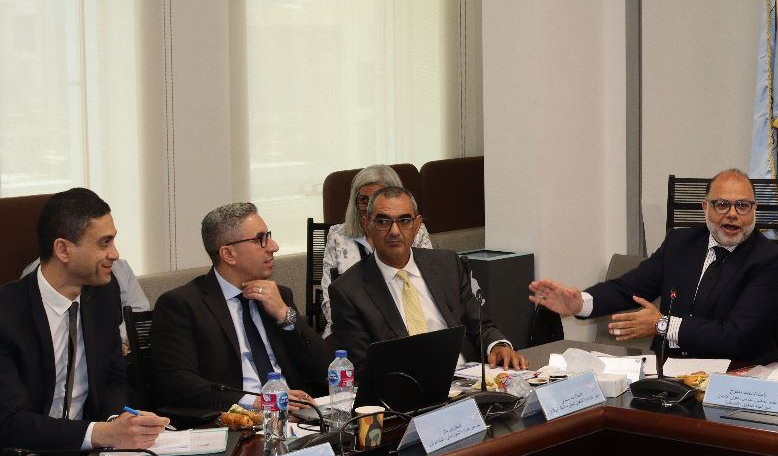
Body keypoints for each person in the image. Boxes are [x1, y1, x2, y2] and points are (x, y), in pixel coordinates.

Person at [528, 168, 778, 364]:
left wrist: (663, 324)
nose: (732, 214)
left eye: (742, 206)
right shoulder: (680, 243)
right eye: (722, 205)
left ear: (754, 209)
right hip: (669, 370)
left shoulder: (771, 260)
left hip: (738, 375)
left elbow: (737, 336)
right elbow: (628, 288)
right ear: (705, 208)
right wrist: (580, 303)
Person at [0, 188, 168, 452]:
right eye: (104, 243)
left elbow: (113, 377)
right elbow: (10, 421)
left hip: (87, 455)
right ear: (63, 249)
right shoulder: (7, 312)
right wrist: (101, 433)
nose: (114, 254)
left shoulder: (104, 294)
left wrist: (116, 423)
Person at [149, 203, 331, 411]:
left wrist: (285, 314)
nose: (274, 246)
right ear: (228, 254)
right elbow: (178, 382)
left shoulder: (278, 296)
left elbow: (325, 368)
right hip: (237, 419)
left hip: (298, 414)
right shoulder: (182, 305)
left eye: (269, 236)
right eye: (260, 239)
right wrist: (257, 401)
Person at [329, 186, 526, 371]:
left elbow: (479, 324)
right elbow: (364, 367)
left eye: (404, 220)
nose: (394, 231)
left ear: (417, 225)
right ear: (367, 225)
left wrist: (498, 345)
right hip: (408, 386)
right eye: (383, 222)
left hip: (469, 377)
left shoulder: (447, 264)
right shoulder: (349, 291)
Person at [320, 164, 433, 333]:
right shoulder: (337, 237)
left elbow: (430, 291)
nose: (368, 207)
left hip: (410, 325)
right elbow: (330, 304)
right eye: (364, 200)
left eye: (376, 199)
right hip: (352, 330)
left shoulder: (415, 232)